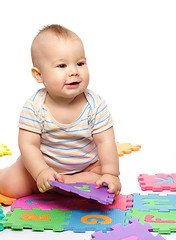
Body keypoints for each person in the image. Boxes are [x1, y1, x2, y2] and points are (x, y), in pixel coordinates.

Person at [0, 24, 121, 198]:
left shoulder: (95, 104)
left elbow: (106, 142)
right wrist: (41, 171)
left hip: (85, 167)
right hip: (42, 165)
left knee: (102, 179)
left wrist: (111, 174)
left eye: (80, 63)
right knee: (12, 186)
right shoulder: (35, 106)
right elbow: (28, 144)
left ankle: (65, 182)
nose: (74, 71)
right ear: (39, 75)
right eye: (62, 66)